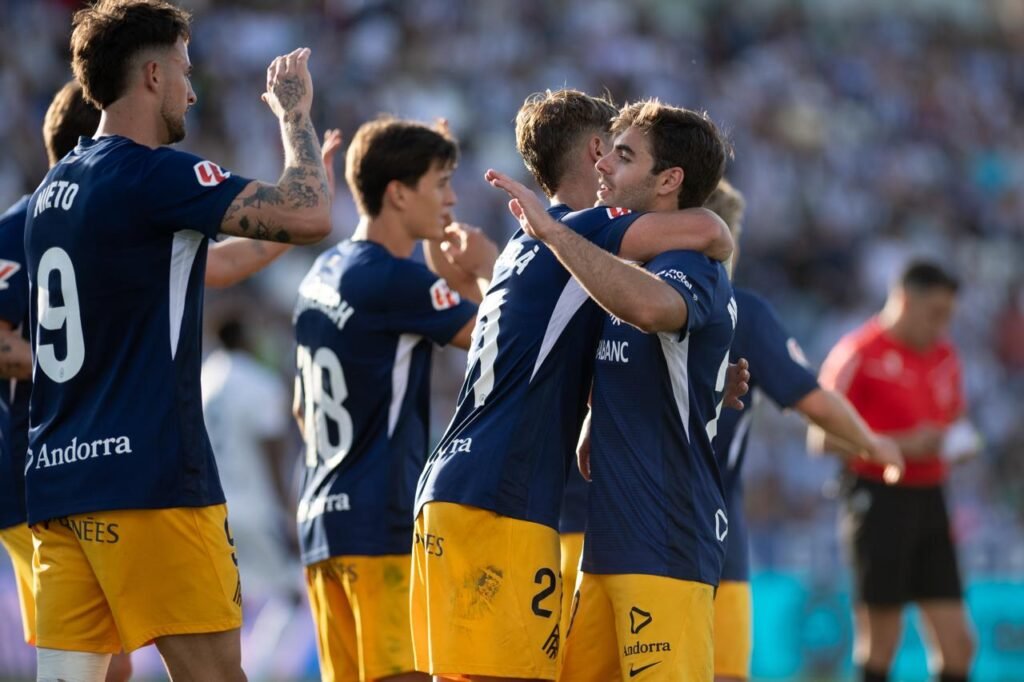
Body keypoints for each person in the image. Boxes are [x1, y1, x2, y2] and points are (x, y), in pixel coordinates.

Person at [23, 0, 331, 678]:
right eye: (187, 71)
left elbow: (208, 267)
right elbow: (310, 213)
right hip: (150, 483)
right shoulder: (152, 174)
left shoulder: (51, 192)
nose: (194, 91)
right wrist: (294, 118)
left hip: (59, 484)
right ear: (154, 75)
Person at [412, 90, 734, 682]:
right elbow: (712, 228)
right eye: (609, 151)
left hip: (634, 532)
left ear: (669, 180)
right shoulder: (578, 236)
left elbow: (655, 303)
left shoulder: (561, 245)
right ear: (589, 151)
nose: (609, 165)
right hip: (507, 499)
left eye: (626, 155)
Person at [294, 115, 495, 682]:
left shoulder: (320, 273)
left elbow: (300, 411)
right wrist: (483, 272)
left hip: (321, 525)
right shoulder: (397, 280)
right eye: (441, 184)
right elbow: (505, 344)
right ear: (399, 193)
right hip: (380, 524)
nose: (452, 199)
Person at [701, 179, 903, 682]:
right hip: (711, 535)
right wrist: (873, 443)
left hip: (606, 531)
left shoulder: (612, 298)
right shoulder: (741, 311)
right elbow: (813, 400)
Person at [817, 261, 976, 682]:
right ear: (905, 301)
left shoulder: (944, 355)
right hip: (878, 498)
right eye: (935, 313)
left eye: (948, 316)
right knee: (881, 640)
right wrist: (903, 443)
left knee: (959, 643)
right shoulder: (858, 353)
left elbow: (954, 419)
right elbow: (822, 440)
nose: (942, 325)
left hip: (931, 498)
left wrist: (959, 443)